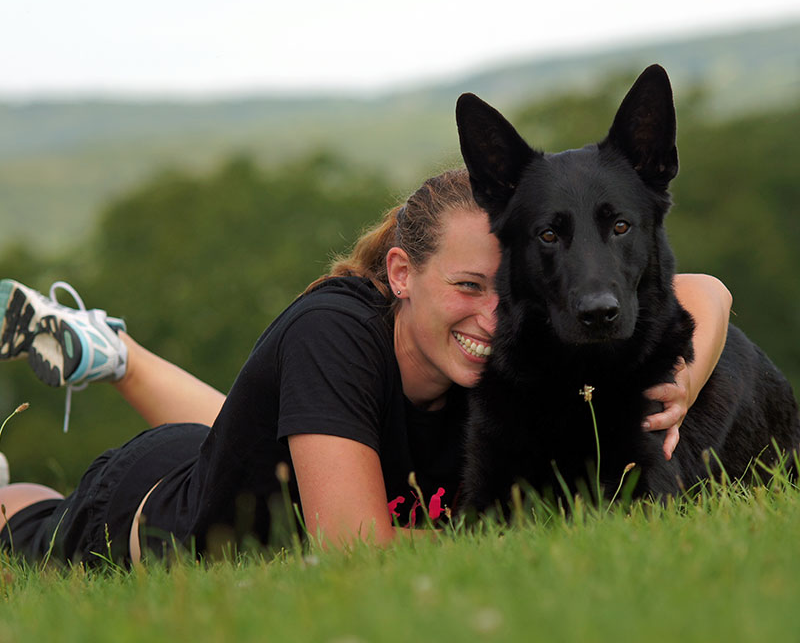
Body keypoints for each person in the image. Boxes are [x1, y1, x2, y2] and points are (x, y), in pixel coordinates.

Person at [0, 169, 732, 565]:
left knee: (242, 434)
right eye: (468, 287)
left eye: (507, 291)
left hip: (267, 455)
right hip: (143, 506)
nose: (492, 316)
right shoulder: (335, 329)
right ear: (403, 274)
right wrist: (547, 539)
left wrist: (682, 378)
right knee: (24, 516)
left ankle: (111, 353)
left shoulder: (519, 338)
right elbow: (354, 546)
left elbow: (705, 292)